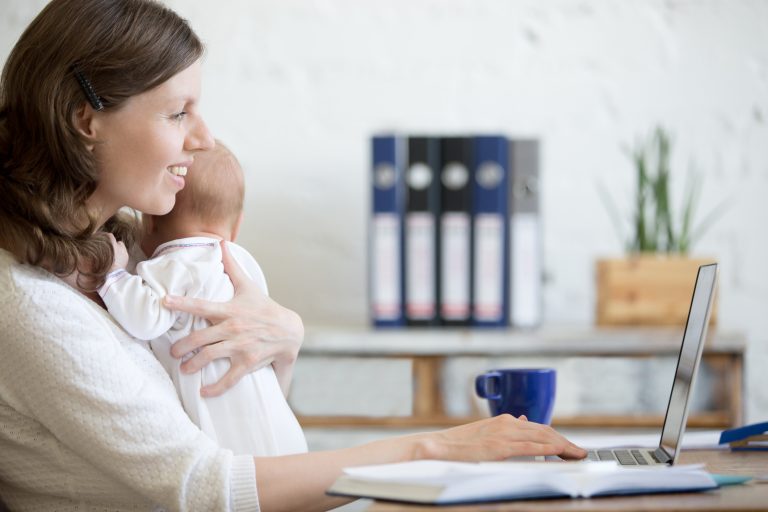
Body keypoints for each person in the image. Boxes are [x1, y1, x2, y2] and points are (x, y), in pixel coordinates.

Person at [0, 0, 586, 510]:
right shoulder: (30, 306)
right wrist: (435, 448)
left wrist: (282, 343)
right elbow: (211, 488)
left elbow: (223, 428)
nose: (203, 139)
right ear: (86, 120)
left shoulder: (125, 259)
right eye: (178, 112)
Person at [99, 141, 307, 457]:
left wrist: (113, 275)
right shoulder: (247, 270)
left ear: (149, 221)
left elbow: (144, 319)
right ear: (237, 225)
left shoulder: (174, 263)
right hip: (285, 435)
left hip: (225, 438)